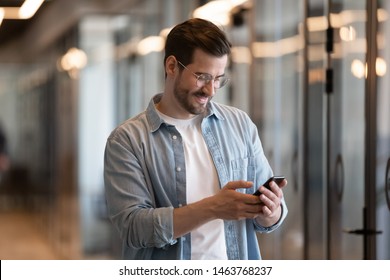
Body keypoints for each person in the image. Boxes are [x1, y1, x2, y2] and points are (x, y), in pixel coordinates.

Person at [104, 18, 288, 260]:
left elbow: (270, 218)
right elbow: (133, 228)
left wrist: (270, 211)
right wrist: (213, 208)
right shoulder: (127, 140)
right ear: (172, 66)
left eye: (218, 78)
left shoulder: (239, 124)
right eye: (202, 77)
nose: (211, 90)